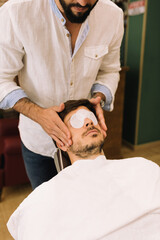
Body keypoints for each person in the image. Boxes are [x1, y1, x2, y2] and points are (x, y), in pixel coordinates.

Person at [0, 0, 124, 189]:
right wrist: (38, 114)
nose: (83, 2)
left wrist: (100, 96)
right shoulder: (16, 12)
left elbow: (110, 70)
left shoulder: (112, 16)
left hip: (84, 145)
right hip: (38, 142)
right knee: (47, 210)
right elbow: (2, 79)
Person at [7, 99, 160, 240]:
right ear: (61, 142)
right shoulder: (43, 199)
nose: (88, 122)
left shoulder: (142, 167)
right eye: (76, 121)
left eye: (91, 118)